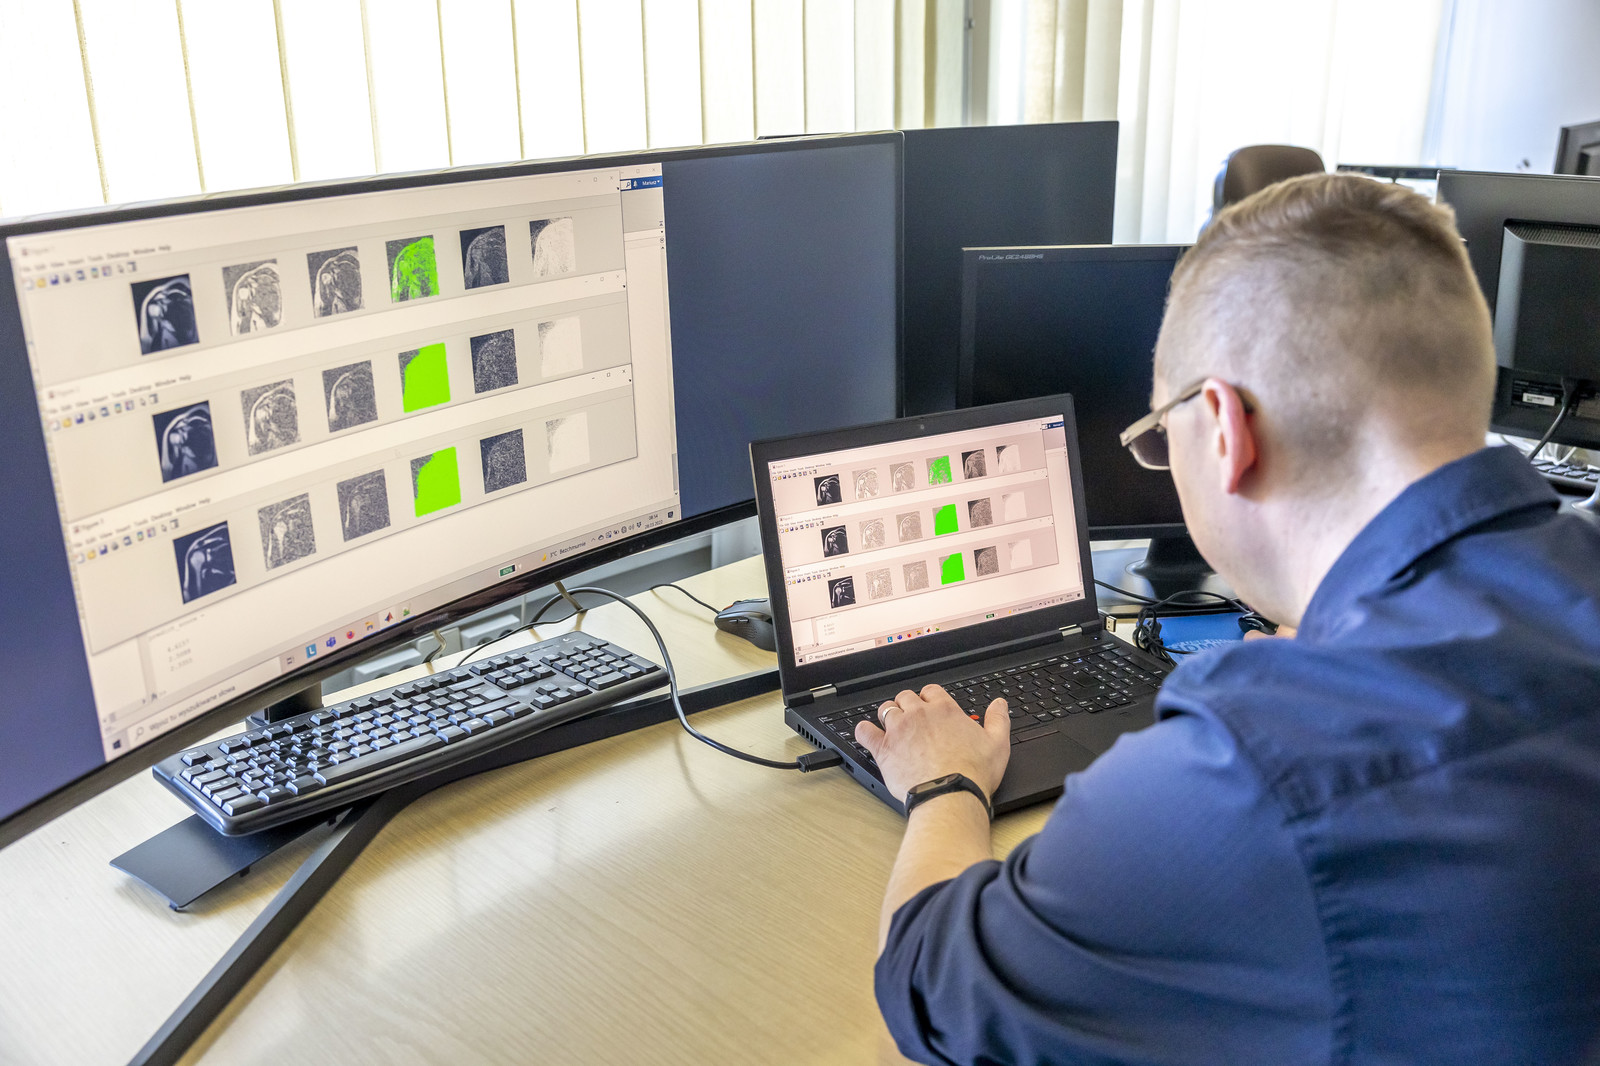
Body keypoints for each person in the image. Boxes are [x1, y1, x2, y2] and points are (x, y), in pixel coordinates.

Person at [859, 173, 1600, 1065]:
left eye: (1160, 436)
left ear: (1224, 429)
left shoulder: (1256, 762)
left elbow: (931, 990)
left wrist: (943, 783)